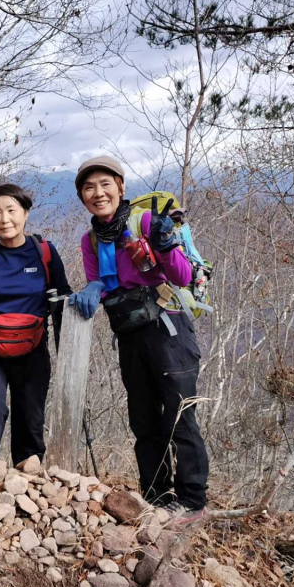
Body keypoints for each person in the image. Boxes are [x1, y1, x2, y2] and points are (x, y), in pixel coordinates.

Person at [71, 155, 208, 527]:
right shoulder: (91, 239)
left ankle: (193, 501)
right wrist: (92, 288)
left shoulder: (145, 221)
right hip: (130, 333)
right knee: (143, 419)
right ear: (83, 197)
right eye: (88, 187)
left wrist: (164, 244)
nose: (98, 193)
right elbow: (101, 285)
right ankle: (155, 496)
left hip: (169, 329)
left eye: (104, 184)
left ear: (120, 186)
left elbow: (180, 276)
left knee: (179, 415)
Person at [0, 184, 71, 471]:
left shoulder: (43, 251)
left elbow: (63, 295)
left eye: (11, 210)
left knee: (30, 414)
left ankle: (28, 474)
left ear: (25, 213)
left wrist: (66, 347)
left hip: (33, 349)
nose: (4, 219)